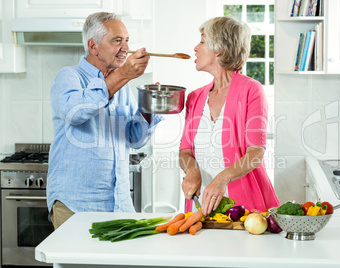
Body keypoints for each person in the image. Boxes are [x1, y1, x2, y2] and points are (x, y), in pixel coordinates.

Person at [47, 12, 163, 229]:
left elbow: (134, 139)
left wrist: (148, 107)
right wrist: (123, 75)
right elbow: (75, 112)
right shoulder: (69, 76)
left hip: (118, 204)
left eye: (127, 40)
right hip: (75, 204)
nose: (125, 48)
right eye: (117, 40)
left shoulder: (122, 86)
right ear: (93, 46)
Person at [179, 16, 280, 215]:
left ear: (219, 48)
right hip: (201, 207)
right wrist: (191, 171)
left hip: (244, 208)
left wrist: (221, 179)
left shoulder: (251, 90)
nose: (195, 48)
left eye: (202, 41)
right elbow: (185, 151)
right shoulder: (194, 97)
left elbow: (255, 153)